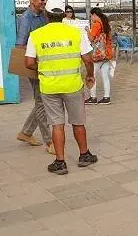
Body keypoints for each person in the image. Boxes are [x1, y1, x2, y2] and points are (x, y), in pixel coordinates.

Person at [25, 15, 98, 174]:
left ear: (47, 15)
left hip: (49, 87)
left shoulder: (36, 34)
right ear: (63, 15)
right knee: (78, 122)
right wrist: (90, 75)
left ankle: (60, 162)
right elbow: (88, 60)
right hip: (72, 85)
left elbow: (29, 63)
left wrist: (45, 68)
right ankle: (84, 155)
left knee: (56, 124)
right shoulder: (76, 33)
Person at [15, 0, 55, 154]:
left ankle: (26, 132)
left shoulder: (44, 15)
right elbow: (20, 45)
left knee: (41, 101)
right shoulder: (26, 18)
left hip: (45, 63)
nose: (45, 1)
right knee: (42, 103)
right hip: (34, 65)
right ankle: (50, 142)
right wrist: (31, 65)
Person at [85, 7, 114, 105]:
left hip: (98, 55)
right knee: (105, 77)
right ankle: (107, 97)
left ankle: (93, 97)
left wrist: (87, 30)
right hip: (106, 54)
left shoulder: (96, 25)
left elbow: (91, 39)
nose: (91, 18)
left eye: (91, 16)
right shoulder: (105, 23)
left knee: (92, 76)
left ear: (94, 15)